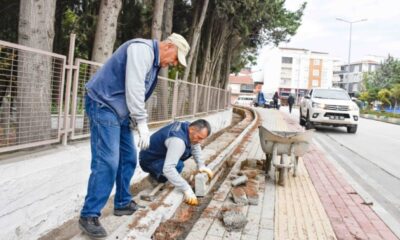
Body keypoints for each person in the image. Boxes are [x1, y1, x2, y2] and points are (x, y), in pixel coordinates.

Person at [79, 33, 190, 238]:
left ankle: (122, 203)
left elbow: (138, 92)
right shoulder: (142, 50)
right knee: (108, 161)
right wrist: (141, 121)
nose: (173, 64)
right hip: (103, 104)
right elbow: (135, 87)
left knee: (129, 157)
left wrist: (133, 119)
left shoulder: (154, 62)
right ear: (168, 46)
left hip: (120, 112)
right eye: (175, 58)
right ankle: (89, 215)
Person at [139, 119, 213, 206]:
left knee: (178, 161)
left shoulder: (189, 128)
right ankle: (155, 177)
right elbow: (169, 168)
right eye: (200, 138)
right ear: (192, 130)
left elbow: (195, 146)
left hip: (158, 155)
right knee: (178, 166)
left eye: (203, 139)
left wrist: (201, 165)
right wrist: (186, 189)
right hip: (149, 160)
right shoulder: (178, 140)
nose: (200, 141)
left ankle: (161, 176)